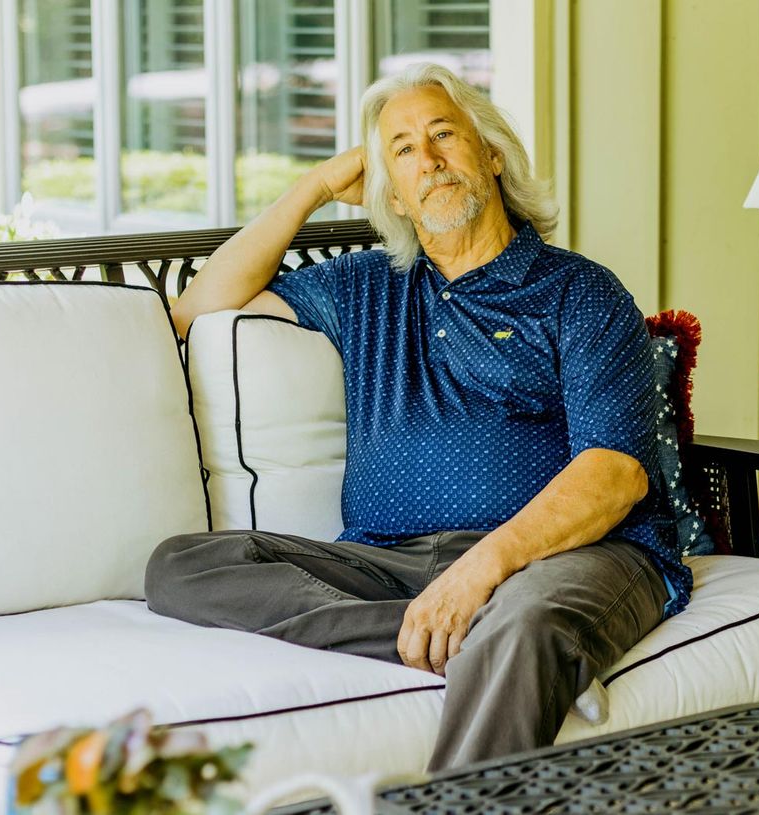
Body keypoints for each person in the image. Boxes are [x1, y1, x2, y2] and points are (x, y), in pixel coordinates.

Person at [145, 63, 691, 771]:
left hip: (563, 559)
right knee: (180, 565)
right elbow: (194, 311)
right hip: (394, 561)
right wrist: (313, 187)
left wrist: (482, 571)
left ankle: (493, 650)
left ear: (491, 156)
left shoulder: (578, 292)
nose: (428, 160)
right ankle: (456, 637)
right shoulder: (366, 286)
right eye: (401, 150)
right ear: (392, 196)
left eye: (443, 135)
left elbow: (614, 474)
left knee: (522, 623)